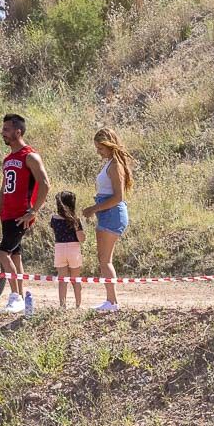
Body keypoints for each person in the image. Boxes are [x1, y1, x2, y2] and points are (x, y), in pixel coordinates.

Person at [0, 113, 51, 314]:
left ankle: (15, 297)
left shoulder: (30, 156)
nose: (3, 133)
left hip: (20, 215)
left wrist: (33, 210)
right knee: (15, 256)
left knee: (2, 253)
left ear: (18, 131)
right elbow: (3, 190)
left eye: (6, 130)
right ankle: (21, 298)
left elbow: (45, 184)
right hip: (7, 214)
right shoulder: (8, 159)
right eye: (3, 130)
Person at [81, 128, 135, 313]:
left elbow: (118, 197)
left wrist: (93, 208)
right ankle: (110, 300)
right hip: (106, 212)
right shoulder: (110, 163)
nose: (98, 152)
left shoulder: (115, 166)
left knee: (105, 260)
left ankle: (112, 301)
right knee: (103, 260)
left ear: (109, 145)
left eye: (100, 148)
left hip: (111, 212)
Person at [51, 191, 86, 309]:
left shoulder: (54, 219)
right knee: (75, 279)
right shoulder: (75, 220)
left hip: (59, 249)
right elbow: (81, 239)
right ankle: (78, 305)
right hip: (73, 249)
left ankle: (62, 305)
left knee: (62, 279)